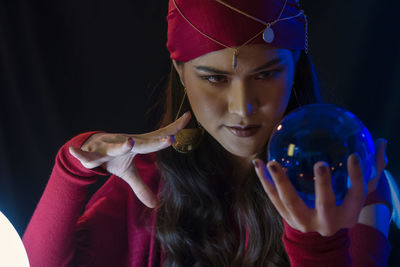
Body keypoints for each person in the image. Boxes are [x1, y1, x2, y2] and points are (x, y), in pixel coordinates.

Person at [23, 0, 393, 266]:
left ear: (295, 66)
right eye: (215, 78)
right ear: (181, 72)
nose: (242, 106)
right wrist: (73, 167)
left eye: (266, 74)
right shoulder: (146, 180)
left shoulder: (346, 177)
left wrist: (316, 245)